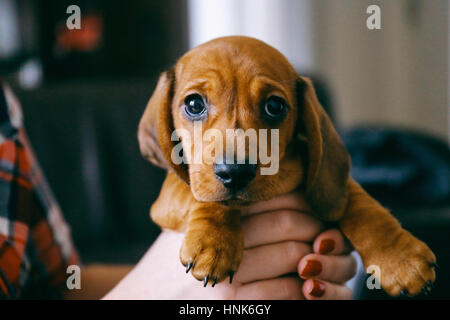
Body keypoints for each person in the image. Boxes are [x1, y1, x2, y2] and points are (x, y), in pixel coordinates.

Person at [0, 80, 356, 300]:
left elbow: (61, 287)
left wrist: (265, 278)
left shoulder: (4, 108)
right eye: (196, 106)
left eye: (273, 107)